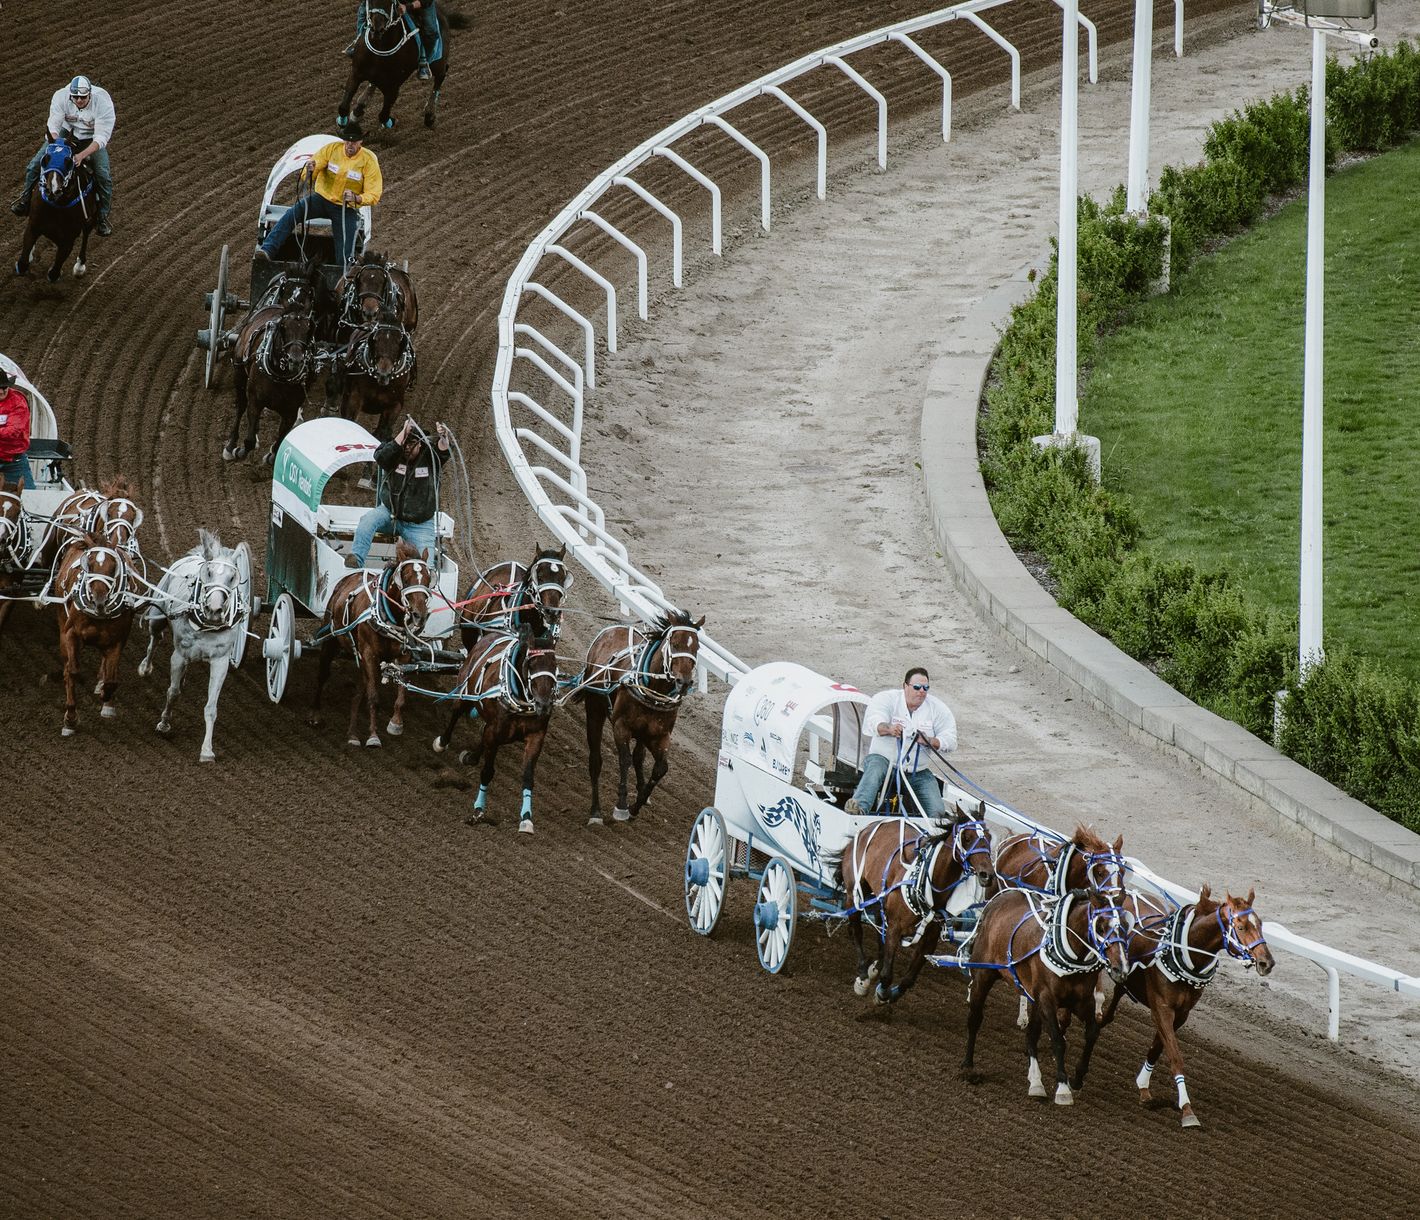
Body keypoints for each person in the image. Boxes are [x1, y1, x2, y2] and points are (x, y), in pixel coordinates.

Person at [255, 126, 381, 268]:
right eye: (347, 141)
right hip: (322, 199)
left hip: (346, 208)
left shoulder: (368, 160)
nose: (349, 145)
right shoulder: (332, 149)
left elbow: (374, 193)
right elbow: (316, 164)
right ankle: (267, 250)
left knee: (345, 249)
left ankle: (342, 272)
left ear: (360, 142)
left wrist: (357, 198)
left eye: (353, 142)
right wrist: (310, 170)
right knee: (293, 213)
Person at [844, 666, 957, 817]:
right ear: (905, 686)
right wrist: (889, 729)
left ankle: (937, 827)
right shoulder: (886, 699)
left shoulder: (938, 708)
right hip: (885, 760)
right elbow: (873, 722)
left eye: (926, 688)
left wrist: (930, 740)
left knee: (937, 811)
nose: (922, 691)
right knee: (875, 769)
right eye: (917, 687)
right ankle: (858, 807)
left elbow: (950, 740)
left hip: (917, 771)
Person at [12, 75, 117, 237]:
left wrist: (82, 155)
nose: (80, 100)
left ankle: (102, 217)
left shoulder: (103, 102)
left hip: (91, 138)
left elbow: (102, 137)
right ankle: (25, 199)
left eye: (83, 97)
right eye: (76, 97)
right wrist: (54, 146)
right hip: (66, 134)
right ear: (71, 95)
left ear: (90, 94)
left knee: (103, 175)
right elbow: (53, 124)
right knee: (35, 164)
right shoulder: (60, 96)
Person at [347, 419, 449, 568]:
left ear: (420, 444)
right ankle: (356, 560)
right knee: (367, 522)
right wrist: (404, 431)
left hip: (420, 524)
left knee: (427, 568)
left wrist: (444, 437)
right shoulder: (394, 455)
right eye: (405, 443)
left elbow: (443, 451)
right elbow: (380, 457)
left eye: (412, 443)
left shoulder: (430, 457)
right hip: (389, 513)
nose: (407, 447)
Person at [346, 1, 438, 80]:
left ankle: (424, 62)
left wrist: (407, 7)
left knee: (431, 31)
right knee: (363, 10)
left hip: (420, 3)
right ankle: (358, 43)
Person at [0, 369, 34, 491]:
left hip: (14, 462)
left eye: (4, 387)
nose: (1, 391)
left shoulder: (18, 401)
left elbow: (13, 432)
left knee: (30, 497)